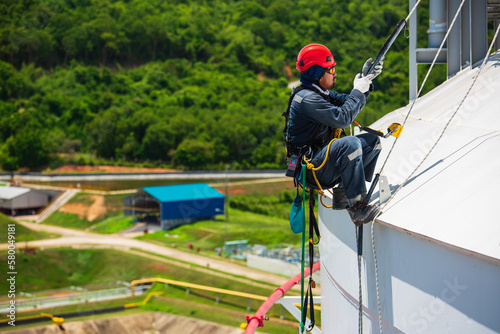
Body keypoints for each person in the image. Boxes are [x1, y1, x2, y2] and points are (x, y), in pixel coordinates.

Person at [286, 44, 383, 225]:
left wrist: (365, 82)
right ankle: (356, 208)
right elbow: (343, 118)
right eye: (331, 70)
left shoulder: (321, 93)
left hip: (323, 162)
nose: (334, 73)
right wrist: (358, 91)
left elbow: (350, 103)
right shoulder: (308, 99)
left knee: (372, 141)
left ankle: (348, 192)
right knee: (351, 144)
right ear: (317, 74)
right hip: (313, 168)